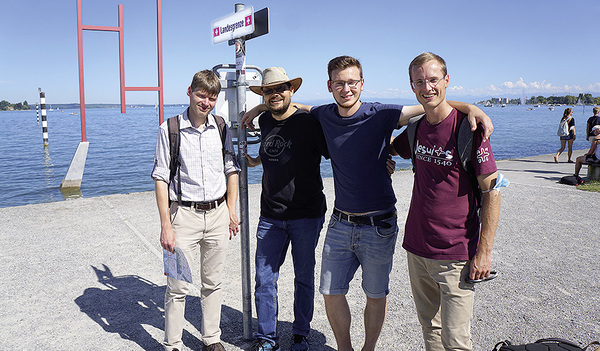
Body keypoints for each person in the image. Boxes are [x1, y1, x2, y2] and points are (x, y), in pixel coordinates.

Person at [242, 55, 493, 351]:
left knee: (376, 294)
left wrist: (472, 107)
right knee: (330, 291)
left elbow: (432, 104)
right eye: (339, 83)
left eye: (351, 82)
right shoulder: (323, 114)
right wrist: (260, 105)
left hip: (380, 224)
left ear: (362, 84)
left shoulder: (382, 113)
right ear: (329, 86)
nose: (345, 89)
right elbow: (295, 107)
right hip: (340, 221)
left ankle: (368, 349)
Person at [390, 52, 501, 351]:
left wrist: (484, 253)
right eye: (420, 81)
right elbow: (387, 147)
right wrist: (382, 163)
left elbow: (492, 192)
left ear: (447, 80)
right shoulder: (414, 129)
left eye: (433, 79)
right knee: (431, 332)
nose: (427, 87)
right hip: (417, 248)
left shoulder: (470, 128)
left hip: (456, 253)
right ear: (412, 86)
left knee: (456, 342)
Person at [151, 70, 240, 351]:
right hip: (183, 217)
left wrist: (231, 211)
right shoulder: (170, 129)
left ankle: (211, 339)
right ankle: (173, 344)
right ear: (190, 91)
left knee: (213, 283)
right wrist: (166, 224)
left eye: (212, 97)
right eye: (201, 95)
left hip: (217, 215)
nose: (206, 102)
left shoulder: (222, 127)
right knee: (178, 287)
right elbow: (161, 178)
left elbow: (231, 170)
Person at [245, 67, 329, 351]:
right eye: (268, 90)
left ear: (292, 90)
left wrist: (382, 162)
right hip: (270, 216)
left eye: (281, 88)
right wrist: (254, 161)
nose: (275, 94)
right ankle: (267, 339)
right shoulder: (265, 120)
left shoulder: (309, 121)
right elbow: (272, 152)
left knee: (303, 277)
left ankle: (300, 334)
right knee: (264, 280)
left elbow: (338, 144)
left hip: (306, 214)